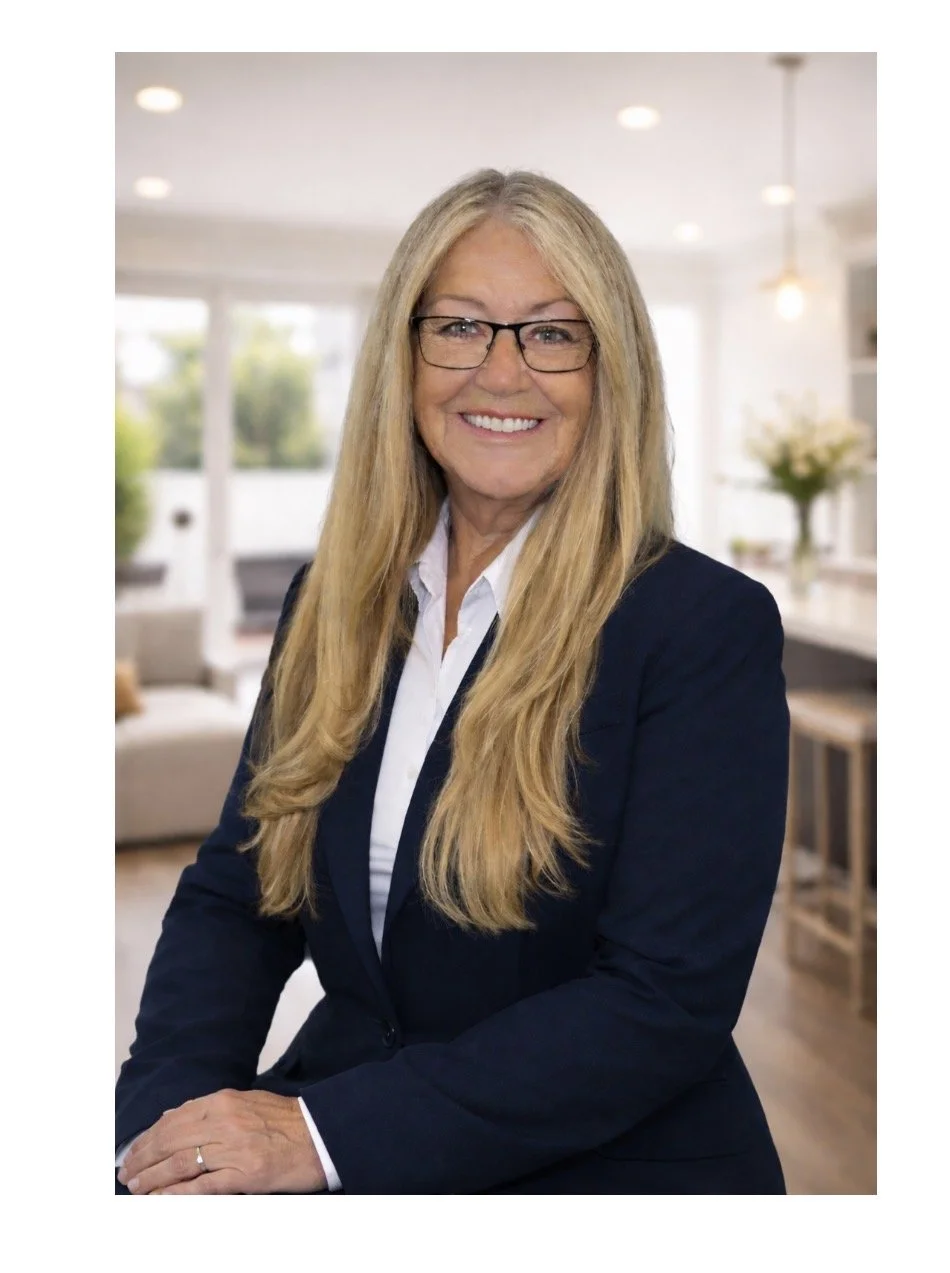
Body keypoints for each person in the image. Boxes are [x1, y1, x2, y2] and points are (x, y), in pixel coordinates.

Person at [115, 168, 790, 1195]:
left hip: (608, 1174)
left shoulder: (701, 627)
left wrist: (322, 1138)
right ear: (406, 355)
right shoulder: (332, 601)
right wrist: (163, 1127)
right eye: (462, 327)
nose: (503, 372)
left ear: (611, 372)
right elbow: (239, 895)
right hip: (350, 1133)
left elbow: (661, 999)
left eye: (553, 333)